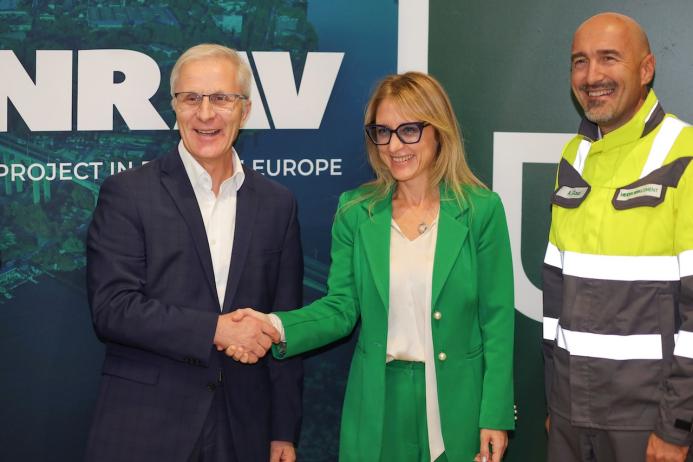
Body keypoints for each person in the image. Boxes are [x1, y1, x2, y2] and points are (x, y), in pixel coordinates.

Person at [230, 72, 515, 462]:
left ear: (439, 132)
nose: (394, 145)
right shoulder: (355, 211)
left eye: (409, 130)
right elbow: (341, 309)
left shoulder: (481, 210)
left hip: (458, 405)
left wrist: (495, 414)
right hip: (378, 404)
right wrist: (274, 326)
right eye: (383, 132)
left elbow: (497, 322)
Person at [84, 44, 303, 462]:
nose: (206, 114)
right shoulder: (128, 194)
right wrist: (216, 330)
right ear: (175, 108)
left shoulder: (278, 204)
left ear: (245, 110)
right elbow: (112, 309)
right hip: (145, 426)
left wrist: (283, 432)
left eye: (221, 98)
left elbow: (285, 322)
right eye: (191, 99)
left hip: (244, 430)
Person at [542, 12, 693, 462]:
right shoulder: (574, 156)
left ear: (646, 69)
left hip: (647, 423)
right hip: (570, 414)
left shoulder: (683, 154)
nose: (592, 76)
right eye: (580, 61)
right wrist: (554, 400)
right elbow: (555, 293)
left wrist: (676, 425)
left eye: (609, 58)